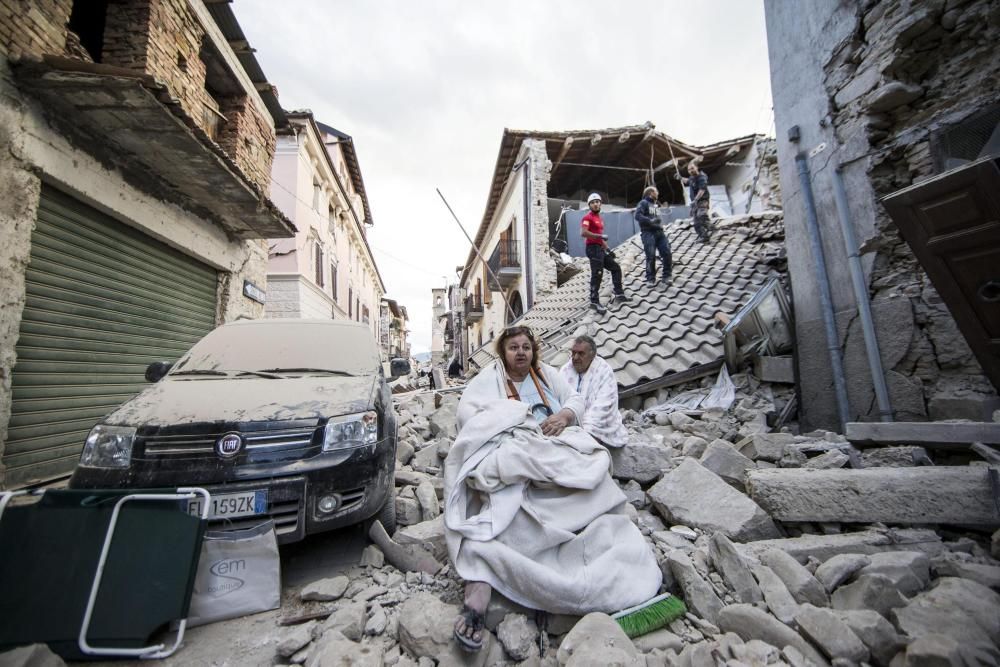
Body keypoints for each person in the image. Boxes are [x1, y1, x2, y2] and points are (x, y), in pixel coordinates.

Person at [445, 326, 660, 652]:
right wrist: (511, 418)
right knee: (504, 483)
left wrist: (563, 415)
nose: (520, 353)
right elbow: (468, 414)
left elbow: (575, 399)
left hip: (555, 442)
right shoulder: (490, 379)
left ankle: (592, 551)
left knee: (593, 464)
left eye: (526, 347)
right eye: (513, 347)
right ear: (503, 352)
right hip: (516, 442)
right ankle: (490, 579)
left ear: (534, 351)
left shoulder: (545, 375)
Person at [559, 335, 629, 448]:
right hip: (569, 423)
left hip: (595, 426)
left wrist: (583, 431)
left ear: (592, 355)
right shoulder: (565, 370)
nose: (575, 357)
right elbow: (557, 400)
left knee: (583, 446)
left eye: (581, 353)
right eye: (574, 353)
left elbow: (604, 406)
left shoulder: (604, 372)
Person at [580, 192, 629, 314]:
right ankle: (594, 302)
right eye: (593, 203)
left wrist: (608, 250)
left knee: (616, 268)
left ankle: (619, 294)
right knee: (597, 274)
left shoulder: (599, 219)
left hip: (600, 249)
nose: (596, 204)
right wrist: (599, 235)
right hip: (592, 249)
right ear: (589, 205)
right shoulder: (587, 218)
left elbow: (601, 239)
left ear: (600, 203)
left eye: (597, 202)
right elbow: (583, 233)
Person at [634, 186, 672, 286]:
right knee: (650, 256)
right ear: (651, 193)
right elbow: (637, 215)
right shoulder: (644, 203)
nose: (658, 193)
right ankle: (650, 279)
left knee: (667, 252)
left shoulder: (655, 206)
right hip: (648, 233)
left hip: (660, 233)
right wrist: (649, 221)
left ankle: (667, 276)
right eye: (656, 191)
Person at [681, 162, 711, 243]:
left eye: (692, 168)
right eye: (689, 169)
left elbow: (702, 190)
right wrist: (680, 178)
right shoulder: (692, 178)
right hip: (695, 203)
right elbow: (687, 181)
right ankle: (704, 237)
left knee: (701, 215)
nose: (690, 171)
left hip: (702, 201)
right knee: (696, 223)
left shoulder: (702, 177)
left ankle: (711, 227)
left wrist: (695, 200)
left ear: (697, 167)